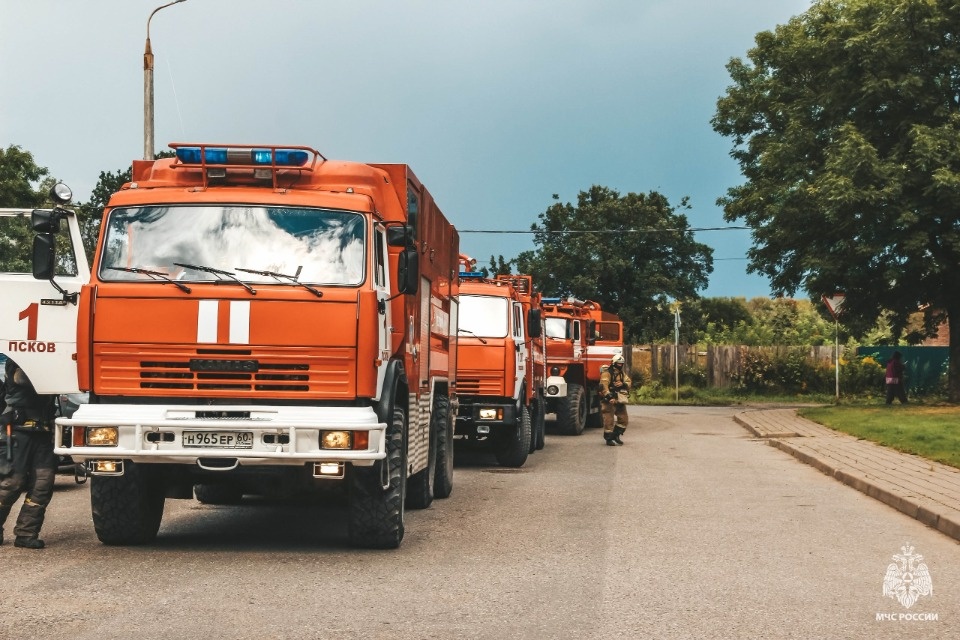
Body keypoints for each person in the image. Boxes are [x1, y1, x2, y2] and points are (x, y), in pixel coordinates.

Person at [0, 358, 58, 549]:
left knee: (43, 484)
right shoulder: (15, 359)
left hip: (44, 432)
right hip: (17, 430)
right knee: (12, 483)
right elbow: (24, 379)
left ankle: (26, 534)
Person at [599, 354, 632, 446]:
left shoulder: (621, 374)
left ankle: (616, 436)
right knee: (609, 419)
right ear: (614, 363)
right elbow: (603, 386)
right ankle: (609, 439)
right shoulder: (607, 373)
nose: (620, 365)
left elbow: (628, 382)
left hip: (619, 399)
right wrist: (609, 397)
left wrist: (623, 384)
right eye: (619, 363)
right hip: (609, 400)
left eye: (622, 364)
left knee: (624, 419)